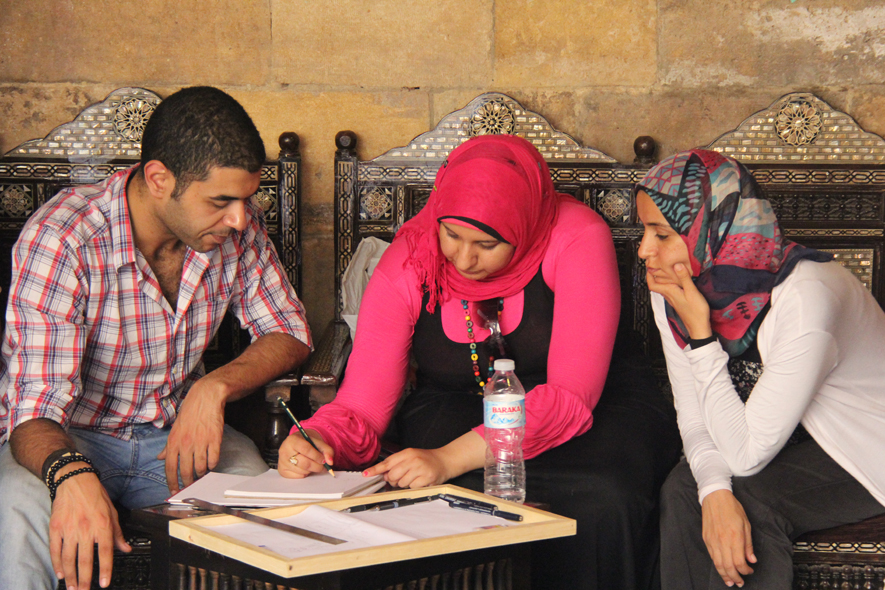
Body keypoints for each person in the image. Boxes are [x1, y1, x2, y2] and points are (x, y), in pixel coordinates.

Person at [279, 134, 681, 589]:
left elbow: (571, 398)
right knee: (429, 496)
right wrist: (319, 439)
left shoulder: (576, 235)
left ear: (522, 226)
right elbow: (363, 405)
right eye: (451, 235)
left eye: (487, 244)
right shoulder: (411, 259)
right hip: (459, 402)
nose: (464, 259)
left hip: (596, 410)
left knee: (604, 497)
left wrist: (448, 459)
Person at [0, 86, 312, 590]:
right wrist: (70, 473)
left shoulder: (235, 228)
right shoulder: (64, 238)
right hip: (67, 437)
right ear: (160, 179)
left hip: (176, 434)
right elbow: (33, 409)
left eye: (245, 199)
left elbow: (289, 329)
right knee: (17, 515)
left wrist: (214, 388)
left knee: (275, 523)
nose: (239, 218)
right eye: (221, 201)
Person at [634, 149, 885, 589]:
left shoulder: (807, 297)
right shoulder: (676, 290)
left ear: (712, 228)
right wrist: (714, 490)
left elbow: (745, 457)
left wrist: (701, 337)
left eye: (661, 234)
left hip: (864, 447)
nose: (643, 251)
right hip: (780, 440)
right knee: (686, 489)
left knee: (750, 501)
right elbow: (693, 417)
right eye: (643, 231)